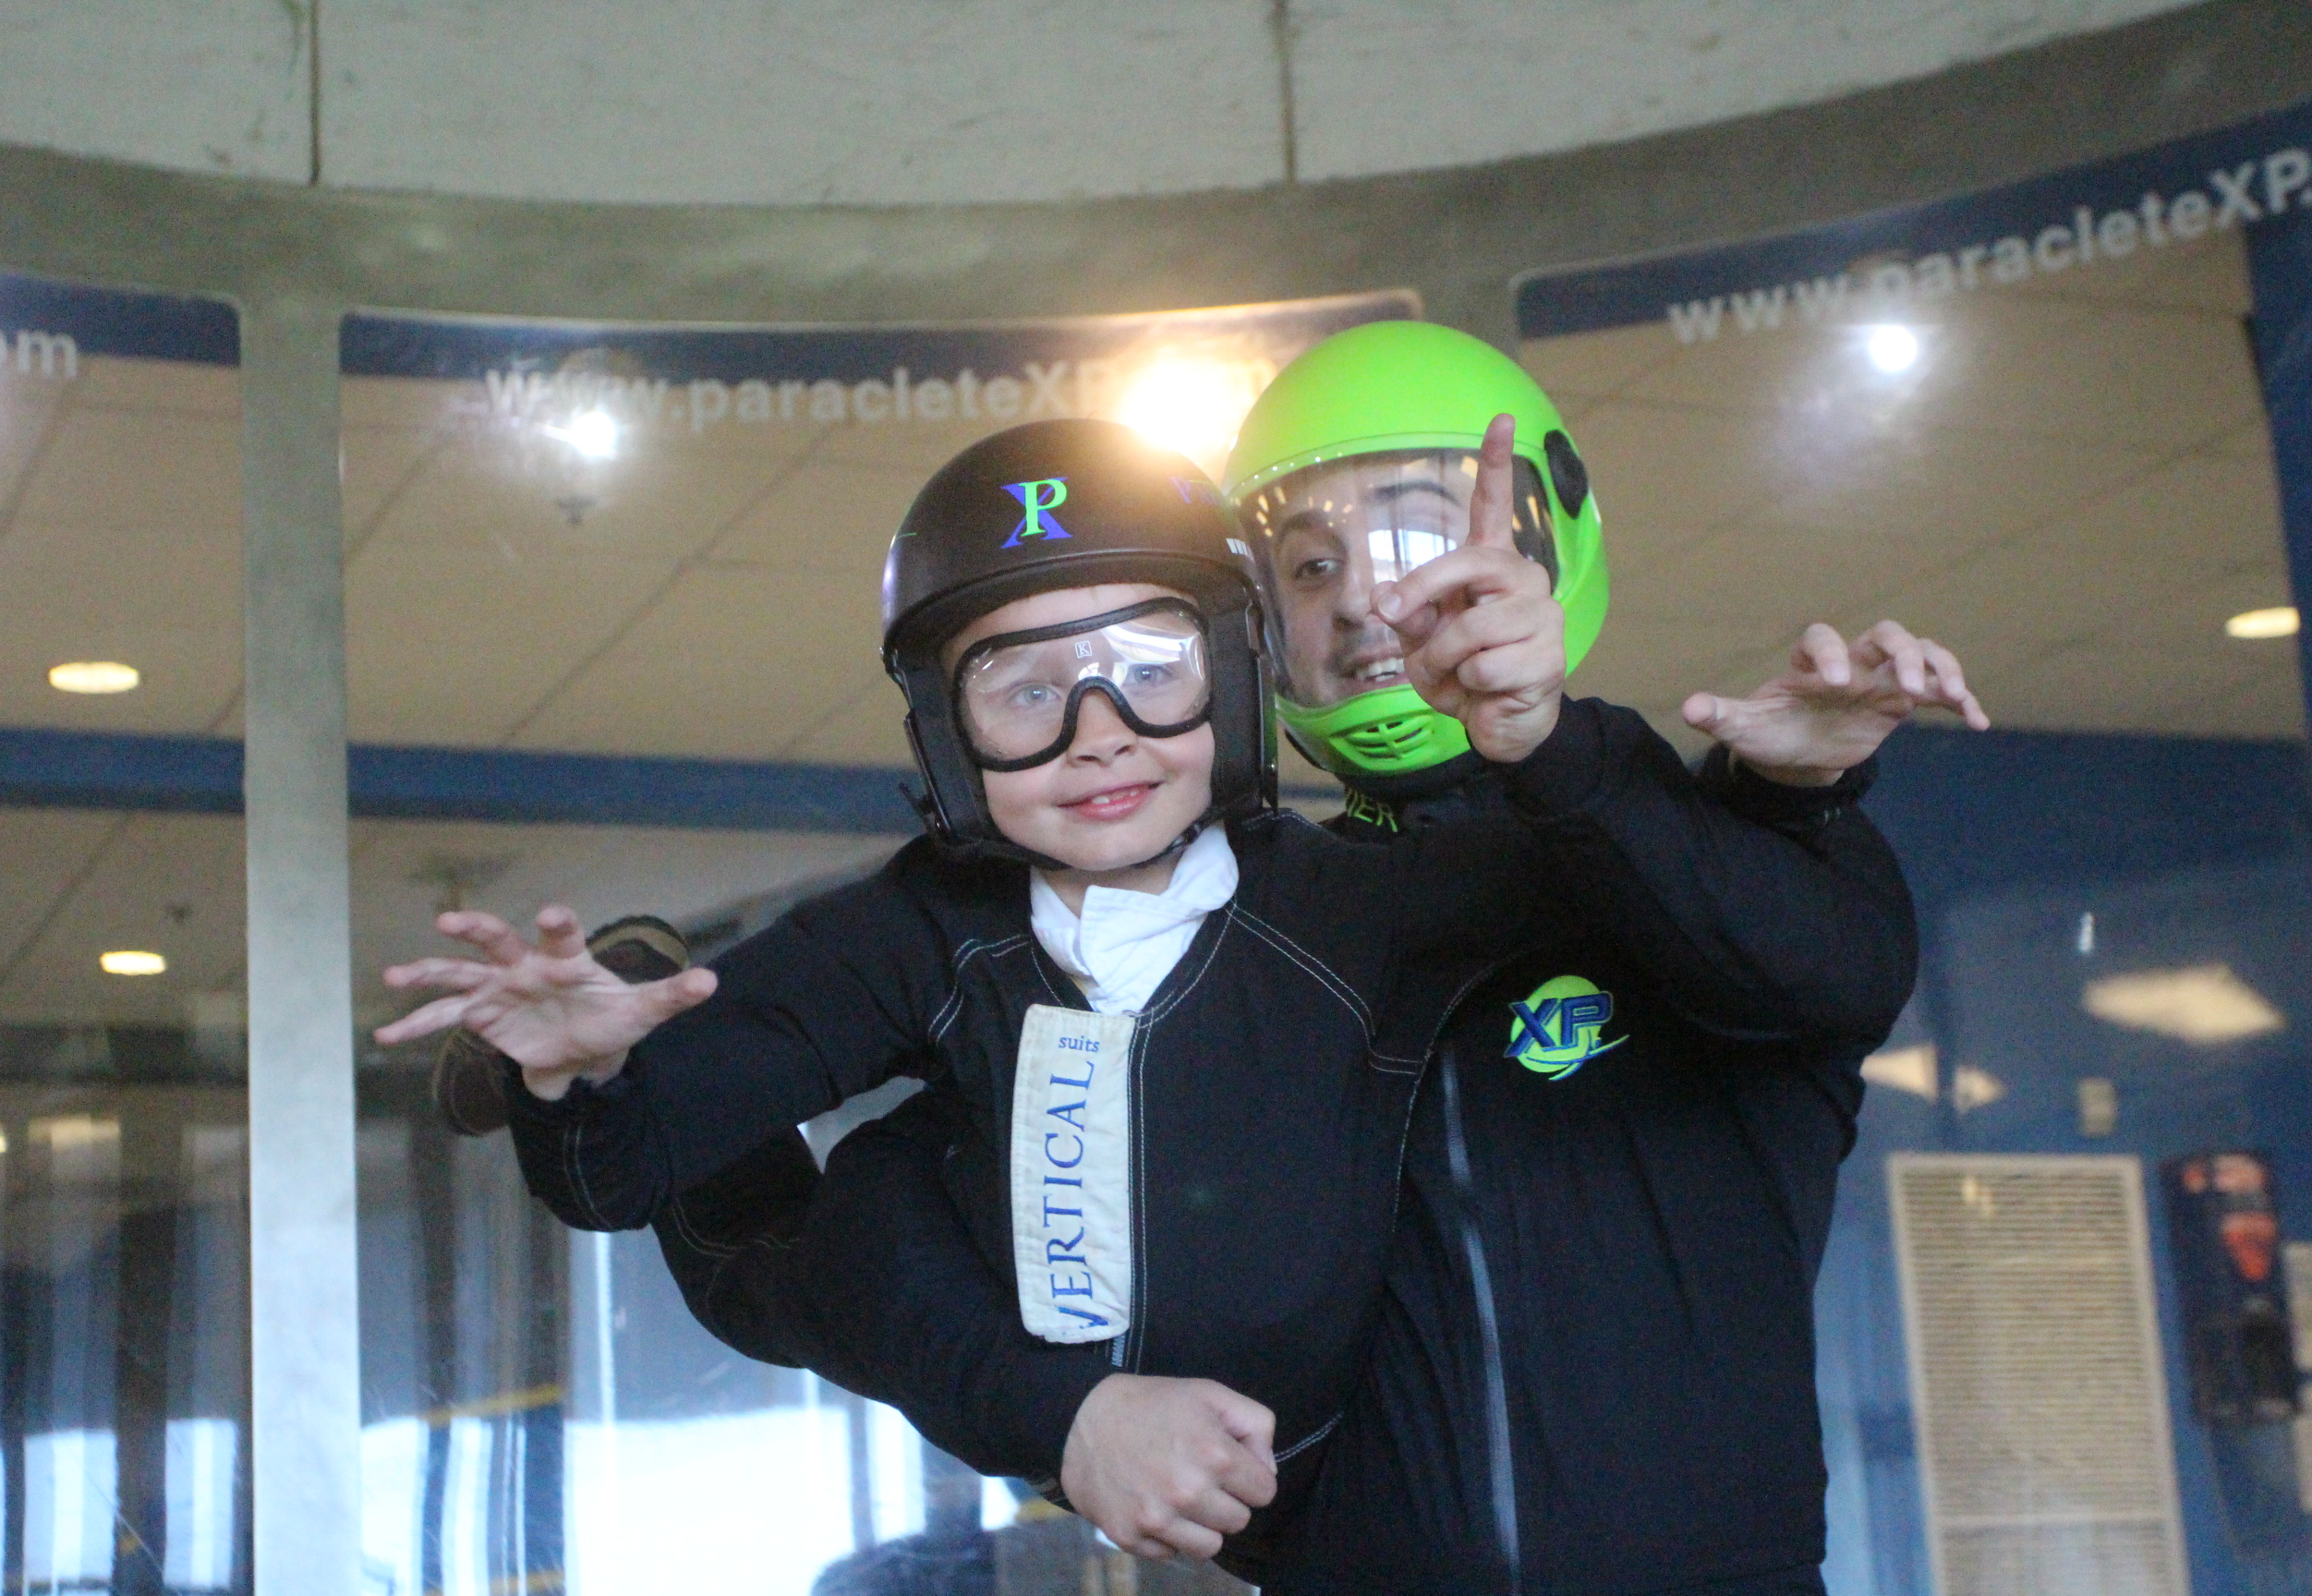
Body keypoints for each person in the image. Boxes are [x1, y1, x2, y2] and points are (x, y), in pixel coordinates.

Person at [638, 322, 1979, 1589]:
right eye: (1310, 564)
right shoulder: (1219, 928)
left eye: (1415, 527)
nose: (1370, 603)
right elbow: (899, 1226)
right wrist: (1061, 1413)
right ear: (1251, 630)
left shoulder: (1716, 862)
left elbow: (1820, 972)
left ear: (1546, 535)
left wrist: (1697, 782)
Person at [379, 409, 1775, 1573]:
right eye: (1023, 689)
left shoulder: (1351, 905)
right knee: (858, 1206)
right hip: (952, 1283)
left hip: (1319, 1480)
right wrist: (569, 1073)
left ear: (1234, 678)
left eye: (1148, 669)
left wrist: (1772, 791)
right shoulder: (923, 925)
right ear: (945, 729)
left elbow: (1718, 936)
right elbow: (619, 1170)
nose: (1097, 735)